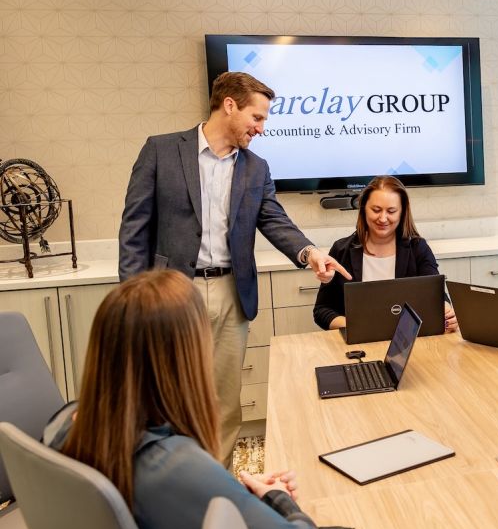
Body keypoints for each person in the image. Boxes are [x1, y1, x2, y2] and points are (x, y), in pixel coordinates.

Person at [45, 270, 349, 529]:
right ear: (184, 361)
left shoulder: (64, 425)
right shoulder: (176, 467)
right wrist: (278, 500)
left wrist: (233, 493)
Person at [118, 71, 350, 466]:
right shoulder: (161, 151)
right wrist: (134, 299)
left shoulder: (255, 168)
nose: (261, 128)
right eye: (257, 118)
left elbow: (274, 219)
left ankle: (219, 480)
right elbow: (133, 229)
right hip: (173, 293)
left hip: (231, 292)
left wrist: (309, 252)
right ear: (229, 105)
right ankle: (171, 483)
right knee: (170, 397)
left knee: (225, 399)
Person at [312, 176, 456, 332]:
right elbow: (322, 310)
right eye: (376, 210)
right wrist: (356, 327)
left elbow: (436, 296)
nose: (383, 218)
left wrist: (446, 311)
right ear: (363, 208)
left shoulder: (418, 249)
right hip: (357, 345)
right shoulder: (342, 250)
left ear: (402, 212)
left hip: (407, 343)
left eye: (391, 211)